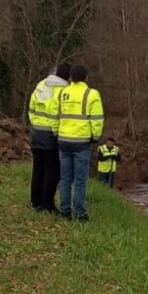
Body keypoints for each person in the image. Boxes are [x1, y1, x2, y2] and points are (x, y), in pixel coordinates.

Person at [50, 64, 103, 221]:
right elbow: (97, 119)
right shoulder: (92, 94)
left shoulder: (61, 93)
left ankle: (65, 211)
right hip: (82, 143)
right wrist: (95, 136)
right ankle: (80, 213)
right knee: (80, 180)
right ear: (86, 77)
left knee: (65, 178)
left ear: (70, 78)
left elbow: (55, 115)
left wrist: (56, 132)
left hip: (64, 140)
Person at [26, 63, 70, 212]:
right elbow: (59, 114)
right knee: (52, 171)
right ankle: (48, 204)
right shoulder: (63, 91)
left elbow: (31, 108)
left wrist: (35, 125)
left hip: (37, 132)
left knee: (38, 169)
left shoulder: (41, 85)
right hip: (52, 135)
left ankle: (35, 201)